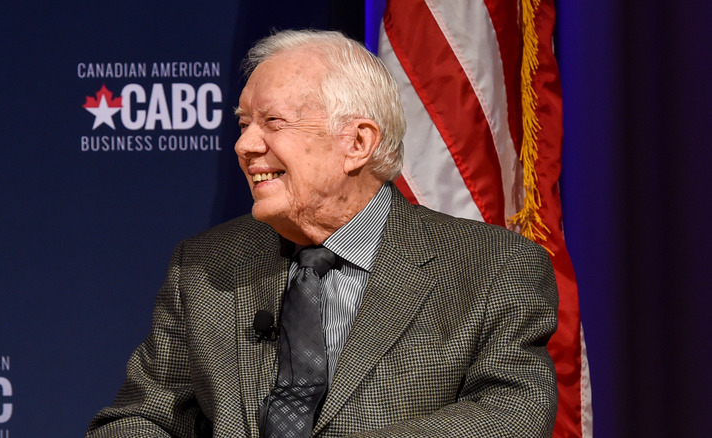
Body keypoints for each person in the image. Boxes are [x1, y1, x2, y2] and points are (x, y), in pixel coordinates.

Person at [87, 29, 558, 437]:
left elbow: (509, 417)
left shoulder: (491, 267)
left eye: (272, 122)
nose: (245, 145)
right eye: (244, 123)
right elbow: (141, 419)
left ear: (357, 143)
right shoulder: (207, 266)